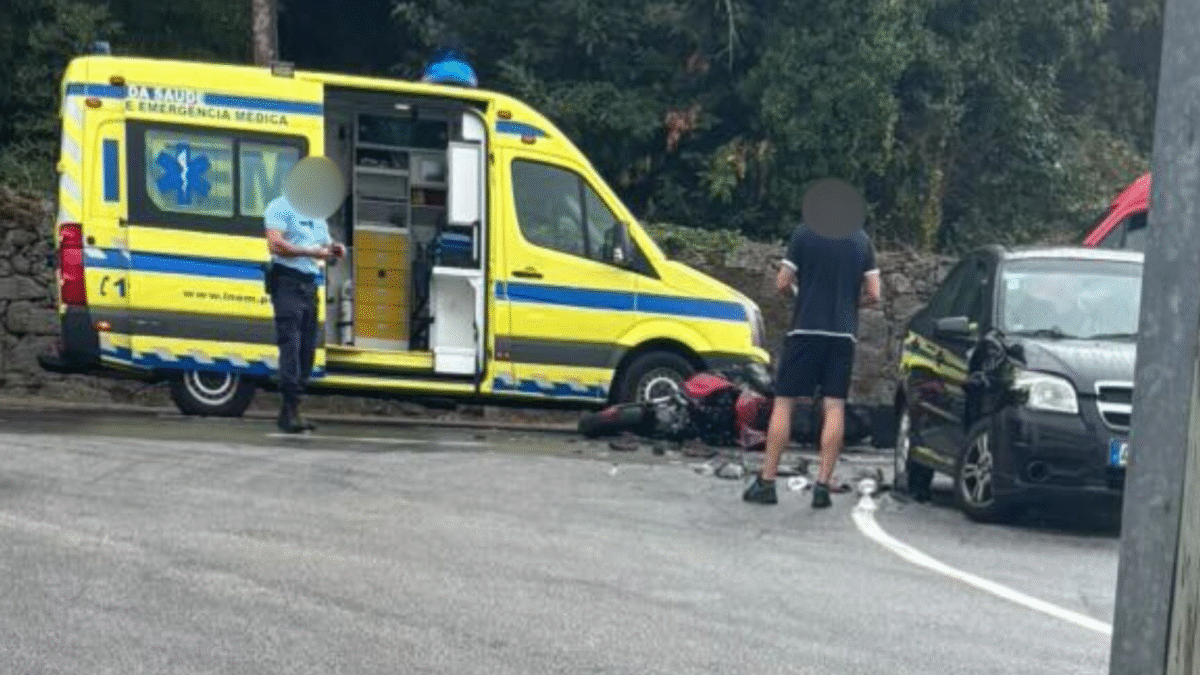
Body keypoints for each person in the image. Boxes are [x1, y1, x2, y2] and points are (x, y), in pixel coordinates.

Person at [743, 223, 881, 508]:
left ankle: (767, 482)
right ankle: (822, 487)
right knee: (834, 406)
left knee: (784, 403)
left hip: (805, 330)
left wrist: (800, 293)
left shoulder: (804, 233)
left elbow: (782, 282)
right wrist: (851, 304)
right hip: (843, 336)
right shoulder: (862, 240)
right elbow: (874, 293)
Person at [264, 158, 346, 433]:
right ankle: (289, 413)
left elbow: (324, 246)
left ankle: (293, 409)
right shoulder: (279, 207)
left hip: (310, 285)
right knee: (290, 345)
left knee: (306, 352)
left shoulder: (316, 215)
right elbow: (275, 244)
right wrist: (311, 252)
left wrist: (335, 249)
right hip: (287, 282)